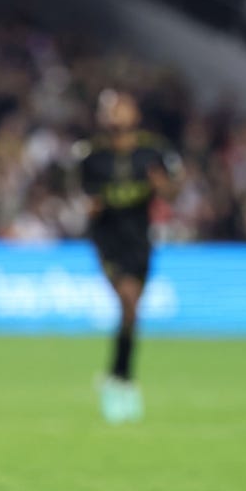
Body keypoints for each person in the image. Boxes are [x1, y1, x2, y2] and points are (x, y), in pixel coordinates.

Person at [80, 89, 179, 423]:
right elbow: (84, 198)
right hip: (108, 240)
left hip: (140, 238)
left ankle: (117, 374)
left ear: (134, 114)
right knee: (128, 299)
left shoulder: (153, 151)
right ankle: (124, 381)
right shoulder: (91, 156)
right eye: (108, 110)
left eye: (120, 109)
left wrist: (162, 184)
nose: (114, 115)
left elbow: (173, 192)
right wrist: (90, 208)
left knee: (131, 311)